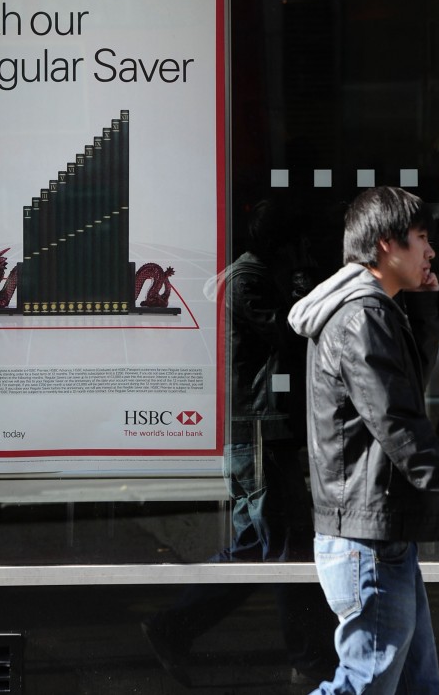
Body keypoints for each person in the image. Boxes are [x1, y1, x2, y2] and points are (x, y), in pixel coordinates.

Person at [288, 187, 439, 695]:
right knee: (365, 683)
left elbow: (401, 391)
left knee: (414, 685)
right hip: (367, 541)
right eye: (422, 238)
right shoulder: (362, 316)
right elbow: (398, 421)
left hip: (376, 536)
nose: (430, 251)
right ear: (386, 244)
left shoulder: (375, 312)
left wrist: (424, 307)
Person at [142, 199, 335, 688]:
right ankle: (309, 659)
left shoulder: (249, 277)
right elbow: (290, 335)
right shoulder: (247, 281)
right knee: (287, 548)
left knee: (258, 548)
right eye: (301, 245)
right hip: (257, 431)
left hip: (264, 431)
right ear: (284, 244)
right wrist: (301, 291)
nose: (306, 255)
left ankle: (173, 625)